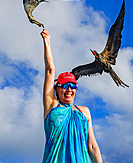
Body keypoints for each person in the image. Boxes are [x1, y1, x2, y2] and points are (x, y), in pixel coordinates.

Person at [40, 29, 102, 163]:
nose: (69, 89)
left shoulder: (84, 112)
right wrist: (47, 42)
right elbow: (50, 71)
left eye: (73, 86)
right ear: (57, 89)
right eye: (65, 85)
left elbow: (92, 146)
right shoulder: (51, 105)